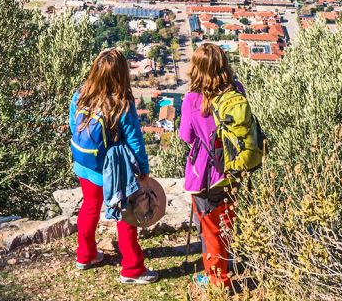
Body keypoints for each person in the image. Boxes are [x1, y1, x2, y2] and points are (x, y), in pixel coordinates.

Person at [68, 48, 158, 284]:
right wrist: (143, 169)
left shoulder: (80, 96)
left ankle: (85, 255)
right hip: (112, 169)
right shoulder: (121, 104)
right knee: (125, 215)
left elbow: (73, 126)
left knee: (89, 207)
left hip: (85, 163)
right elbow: (135, 140)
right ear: (121, 74)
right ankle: (132, 269)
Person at [178, 43, 238, 288]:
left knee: (210, 227)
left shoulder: (193, 99)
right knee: (229, 219)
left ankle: (217, 280)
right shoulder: (236, 90)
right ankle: (229, 263)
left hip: (206, 174)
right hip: (236, 168)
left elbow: (186, 136)